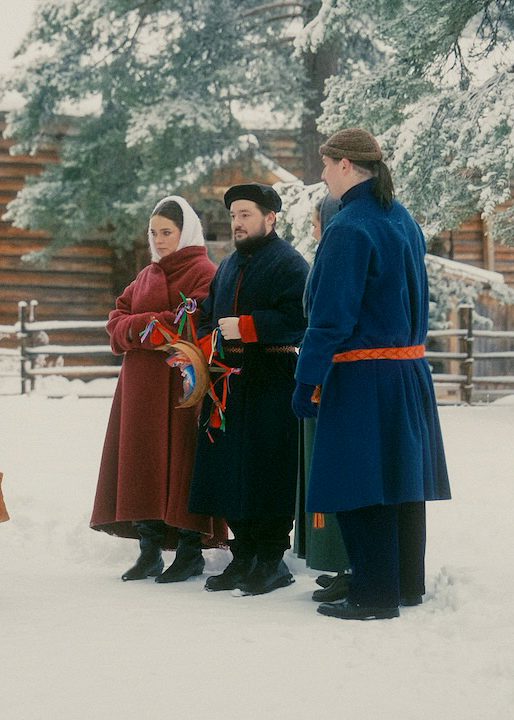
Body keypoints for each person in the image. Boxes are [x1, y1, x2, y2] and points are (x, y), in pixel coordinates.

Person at [293, 128, 452, 620]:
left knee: (358, 483)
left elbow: (331, 317)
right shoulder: (401, 219)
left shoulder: (349, 226)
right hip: (406, 373)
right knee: (398, 481)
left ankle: (373, 595)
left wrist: (306, 379)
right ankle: (403, 585)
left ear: (345, 165)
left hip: (363, 376)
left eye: (325, 166)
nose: (322, 176)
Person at [91, 196, 227, 583]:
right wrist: (142, 328)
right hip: (140, 388)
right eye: (154, 233)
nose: (159, 240)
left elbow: (188, 322)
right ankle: (148, 550)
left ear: (186, 232)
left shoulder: (204, 271)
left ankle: (188, 550)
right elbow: (116, 320)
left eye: (167, 232)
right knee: (142, 461)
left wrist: (138, 327)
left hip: (181, 384)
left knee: (181, 459)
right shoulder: (147, 274)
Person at [188, 183, 310, 596]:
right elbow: (206, 316)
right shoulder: (226, 265)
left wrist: (249, 327)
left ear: (270, 218)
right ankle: (242, 558)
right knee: (229, 471)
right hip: (226, 384)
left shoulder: (290, 264)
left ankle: (272, 560)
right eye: (234, 215)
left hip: (271, 379)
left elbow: (301, 317)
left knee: (268, 470)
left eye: (245, 215)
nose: (237, 223)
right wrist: (208, 345)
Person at [292, 193, 352, 603]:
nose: (313, 232)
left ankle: (350, 562)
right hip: (318, 374)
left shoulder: (338, 261)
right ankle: (336, 562)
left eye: (316, 224)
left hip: (332, 377)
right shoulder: (323, 261)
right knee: (321, 472)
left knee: (339, 473)